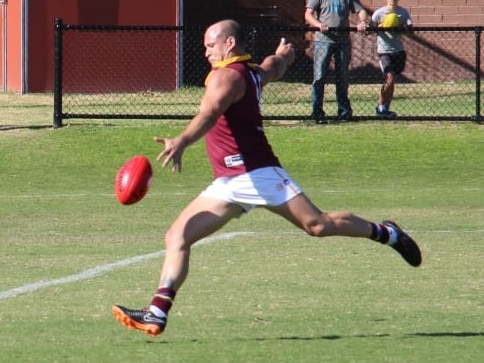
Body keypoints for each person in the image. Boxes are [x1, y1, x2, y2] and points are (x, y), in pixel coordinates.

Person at [112, 19, 422, 338]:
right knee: (177, 236)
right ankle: (157, 313)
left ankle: (388, 233)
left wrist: (182, 141)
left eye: (210, 45)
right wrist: (284, 56)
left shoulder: (226, 77)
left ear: (230, 44)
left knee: (318, 225)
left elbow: (209, 114)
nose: (206, 51)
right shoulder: (252, 72)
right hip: (229, 182)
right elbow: (273, 67)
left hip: (258, 172)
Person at [304, 0, 369, 124]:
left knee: (342, 77)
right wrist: (318, 24)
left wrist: (362, 21)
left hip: (343, 41)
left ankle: (344, 112)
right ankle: (317, 113)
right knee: (319, 76)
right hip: (323, 40)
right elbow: (308, 14)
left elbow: (361, 10)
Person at [370, 0, 413, 119]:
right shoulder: (378, 13)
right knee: (389, 79)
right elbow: (368, 31)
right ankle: (380, 107)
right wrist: (381, 26)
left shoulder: (403, 13)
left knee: (392, 81)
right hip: (384, 51)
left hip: (398, 51)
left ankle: (385, 109)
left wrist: (400, 27)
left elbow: (411, 32)